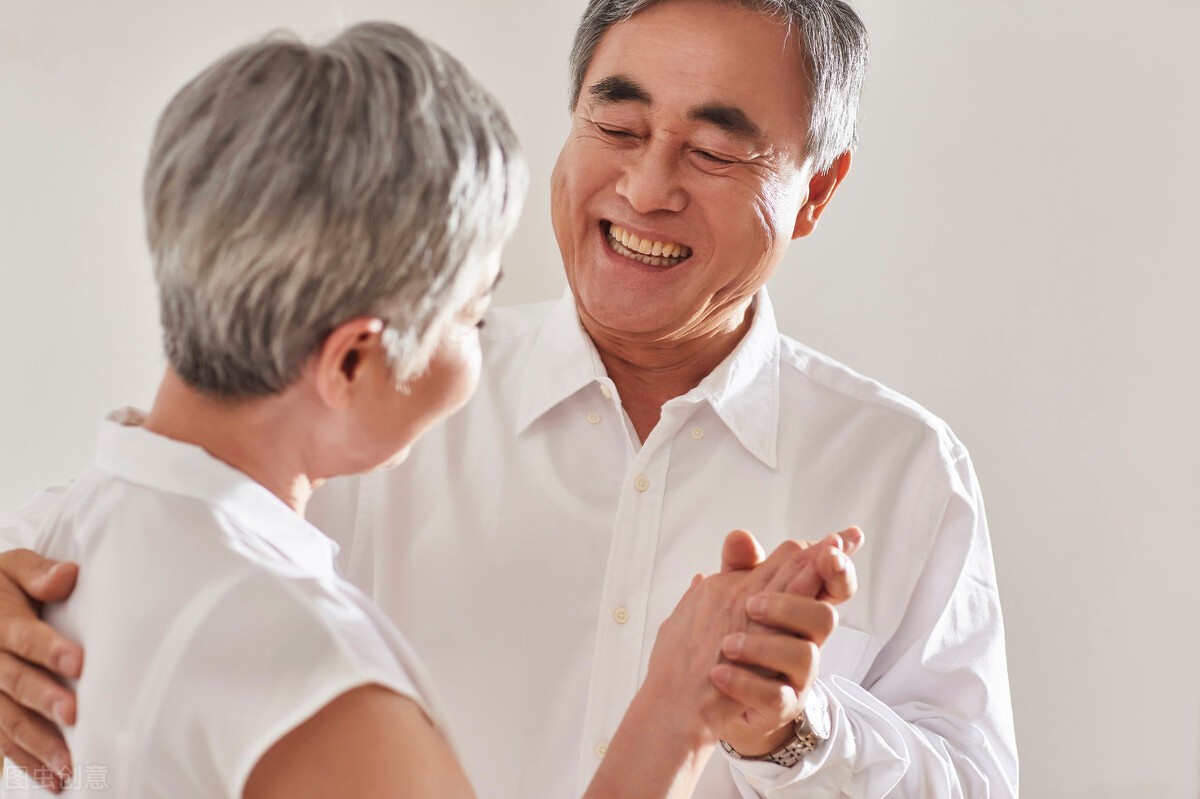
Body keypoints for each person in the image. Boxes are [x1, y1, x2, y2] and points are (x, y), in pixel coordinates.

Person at [0, 0, 1018, 796]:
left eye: (712, 151)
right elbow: (119, 544)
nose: (647, 186)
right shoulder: (372, 400)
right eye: (618, 121)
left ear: (820, 189)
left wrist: (797, 732)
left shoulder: (905, 472)